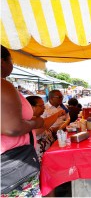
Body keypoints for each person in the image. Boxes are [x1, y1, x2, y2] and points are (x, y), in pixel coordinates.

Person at [1, 45, 44, 197]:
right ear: (3, 62)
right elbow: (12, 128)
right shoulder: (3, 85)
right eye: (11, 60)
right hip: (11, 164)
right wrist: (36, 123)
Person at [26, 96, 65, 162]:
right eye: (41, 106)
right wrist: (57, 114)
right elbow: (44, 125)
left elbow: (49, 129)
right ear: (31, 107)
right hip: (42, 160)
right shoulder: (27, 122)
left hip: (53, 154)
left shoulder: (39, 119)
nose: (44, 108)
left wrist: (64, 126)